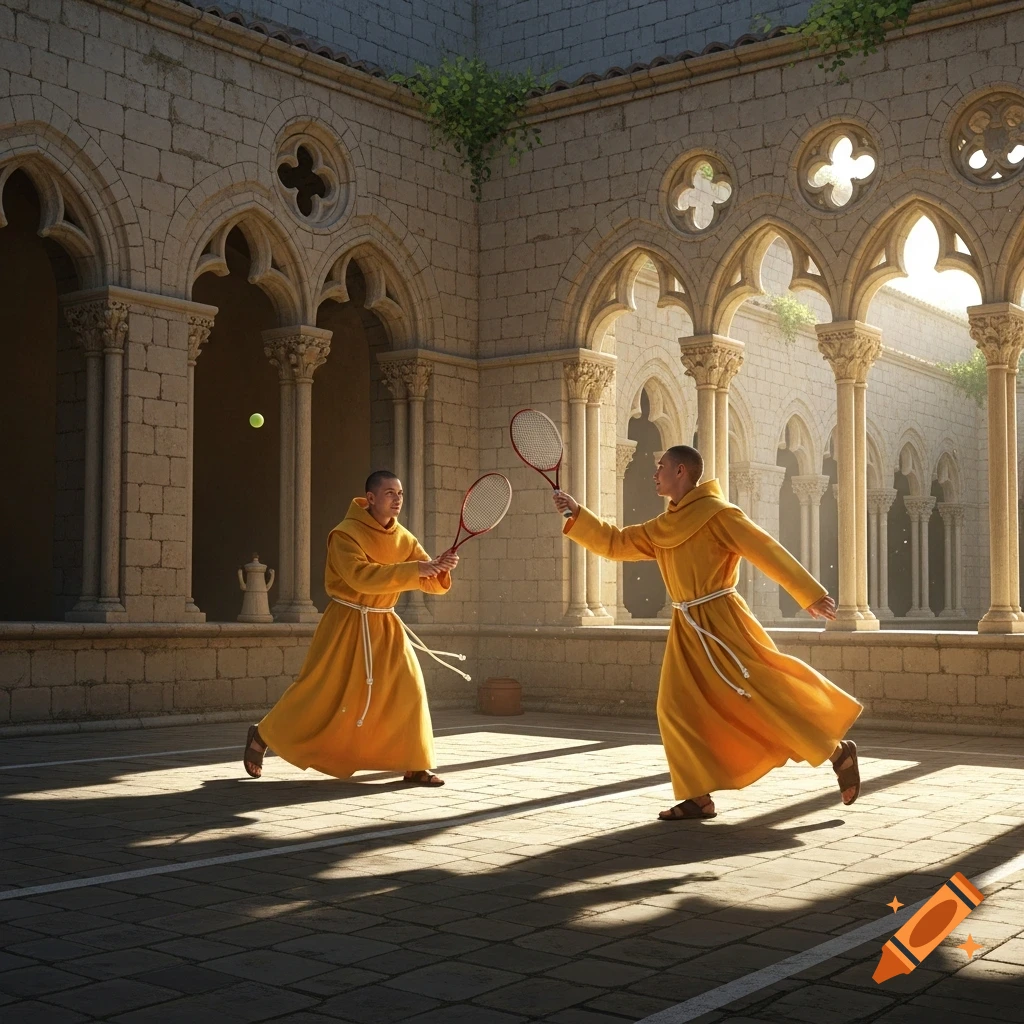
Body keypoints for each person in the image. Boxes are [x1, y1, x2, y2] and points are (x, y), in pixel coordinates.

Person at [553, 445, 863, 820]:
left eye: (661, 466)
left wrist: (808, 593)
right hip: (686, 628)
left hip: (724, 622)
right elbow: (615, 543)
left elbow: (765, 549)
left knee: (764, 695)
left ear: (681, 471)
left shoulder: (720, 515)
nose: (655, 473)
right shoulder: (661, 527)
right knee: (674, 708)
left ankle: (837, 752)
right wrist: (575, 513)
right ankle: (697, 796)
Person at [242, 470, 461, 786]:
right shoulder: (344, 535)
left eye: (400, 493)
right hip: (346, 622)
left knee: (410, 688)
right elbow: (361, 577)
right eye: (389, 493)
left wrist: (439, 567)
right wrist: (418, 569)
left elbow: (428, 582)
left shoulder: (405, 538)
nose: (397, 499)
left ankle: (415, 764)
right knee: (320, 691)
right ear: (370, 498)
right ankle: (262, 735)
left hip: (385, 624)